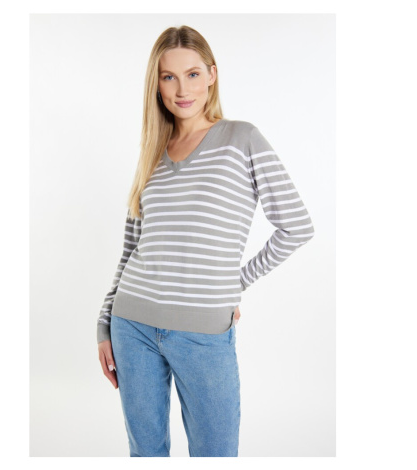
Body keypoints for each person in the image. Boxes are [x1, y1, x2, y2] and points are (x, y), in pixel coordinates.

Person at [97, 25, 315, 457]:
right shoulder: (152, 152)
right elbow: (131, 249)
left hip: (204, 332)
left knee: (216, 454)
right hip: (132, 325)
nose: (182, 89)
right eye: (169, 77)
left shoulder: (241, 139)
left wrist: (234, 283)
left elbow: (296, 226)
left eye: (193, 74)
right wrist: (104, 323)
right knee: (145, 454)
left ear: (212, 75)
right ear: (157, 84)